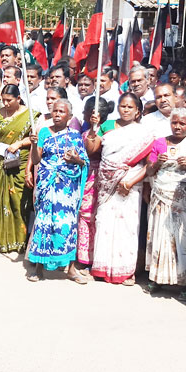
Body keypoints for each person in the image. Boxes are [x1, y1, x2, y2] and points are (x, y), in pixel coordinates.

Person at [86, 93, 154, 285]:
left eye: (130, 107)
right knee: (104, 222)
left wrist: (131, 182)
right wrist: (94, 129)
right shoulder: (107, 126)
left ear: (137, 111)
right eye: (122, 106)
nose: (125, 110)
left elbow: (149, 164)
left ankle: (126, 271)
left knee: (128, 226)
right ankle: (102, 267)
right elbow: (92, 150)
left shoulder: (143, 133)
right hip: (106, 183)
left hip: (130, 183)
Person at [27, 98, 88, 282]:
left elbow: (84, 162)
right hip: (47, 185)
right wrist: (33, 144)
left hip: (66, 190)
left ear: (69, 116)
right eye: (55, 111)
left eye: (61, 112)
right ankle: (38, 268)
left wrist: (74, 159)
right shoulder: (44, 132)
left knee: (67, 226)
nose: (57, 115)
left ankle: (70, 268)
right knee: (43, 223)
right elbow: (37, 160)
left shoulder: (76, 136)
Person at [144, 108, 186, 299]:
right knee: (161, 235)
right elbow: (150, 171)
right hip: (162, 196)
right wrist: (157, 163)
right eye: (174, 123)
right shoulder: (160, 142)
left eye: (182, 123)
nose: (177, 127)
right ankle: (157, 278)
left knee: (185, 239)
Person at [0, 85, 36, 254]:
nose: (6, 103)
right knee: (0, 200)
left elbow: (36, 138)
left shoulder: (31, 115)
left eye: (9, 100)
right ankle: (1, 239)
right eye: (3, 100)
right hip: (2, 163)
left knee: (19, 201)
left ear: (18, 98)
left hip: (20, 163)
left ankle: (19, 242)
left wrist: (20, 143)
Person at [77, 96, 111, 272]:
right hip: (84, 175)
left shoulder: (105, 132)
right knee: (83, 214)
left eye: (86, 111)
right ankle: (82, 255)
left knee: (90, 216)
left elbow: (92, 150)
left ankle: (90, 257)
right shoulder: (87, 130)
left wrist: (94, 129)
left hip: (96, 175)